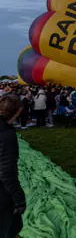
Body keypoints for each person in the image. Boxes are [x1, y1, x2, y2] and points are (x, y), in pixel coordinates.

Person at [0, 95, 26, 238]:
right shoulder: (6, 134)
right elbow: (5, 171)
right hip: (2, 194)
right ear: (18, 112)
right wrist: (19, 199)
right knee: (7, 229)